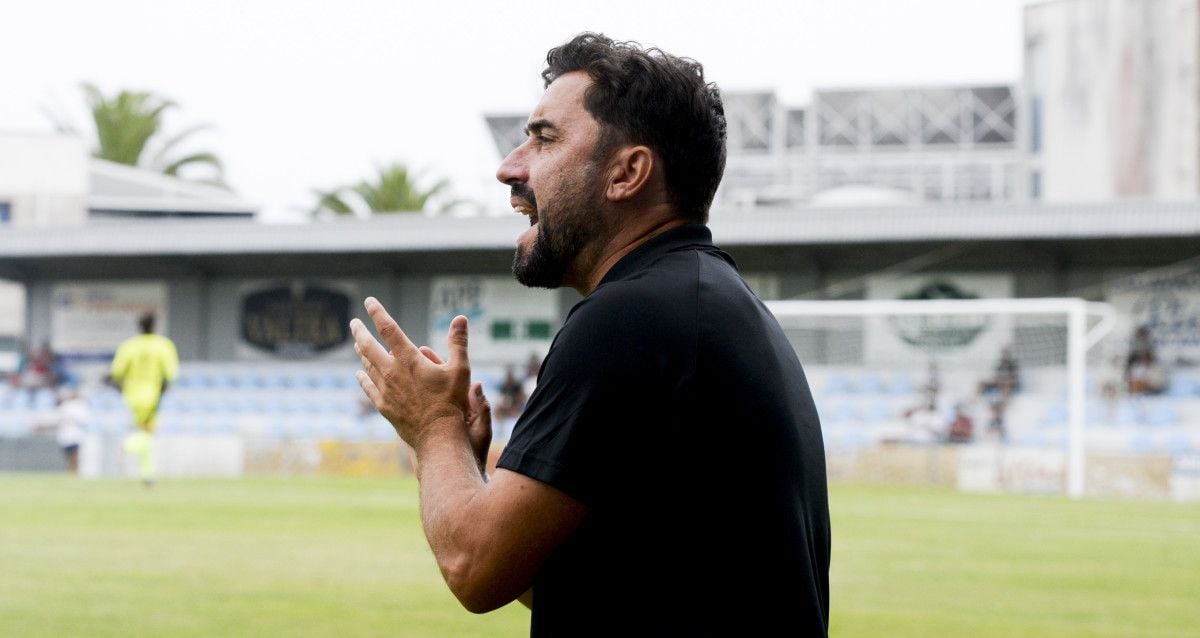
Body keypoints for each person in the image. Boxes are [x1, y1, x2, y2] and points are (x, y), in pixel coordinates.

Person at [350, 33, 830, 636]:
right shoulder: (705, 305)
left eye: (544, 137)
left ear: (627, 172)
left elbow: (475, 570)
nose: (509, 168)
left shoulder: (633, 318)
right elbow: (561, 580)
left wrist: (433, 428)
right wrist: (459, 467)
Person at [110, 313, 179, 486]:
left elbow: (117, 372)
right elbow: (170, 373)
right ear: (155, 326)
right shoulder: (163, 345)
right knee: (147, 434)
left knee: (144, 433)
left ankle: (147, 476)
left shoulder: (129, 346)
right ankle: (127, 446)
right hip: (151, 394)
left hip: (132, 395)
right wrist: (162, 390)